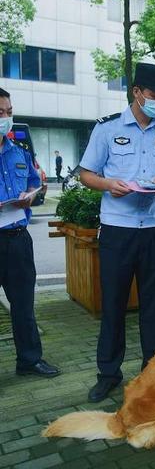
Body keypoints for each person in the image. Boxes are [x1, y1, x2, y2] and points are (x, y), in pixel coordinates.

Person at [79, 63, 155, 403]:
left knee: (154, 308)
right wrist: (109, 184)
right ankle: (108, 373)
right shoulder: (106, 129)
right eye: (154, 95)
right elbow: (86, 174)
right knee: (113, 305)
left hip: (154, 230)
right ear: (137, 92)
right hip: (118, 231)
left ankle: (154, 374)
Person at [0, 88, 60, 378]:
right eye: (0, 113)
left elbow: (36, 184)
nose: (6, 118)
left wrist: (30, 195)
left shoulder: (18, 152)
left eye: (9, 112)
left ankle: (29, 360)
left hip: (18, 240)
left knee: (23, 306)